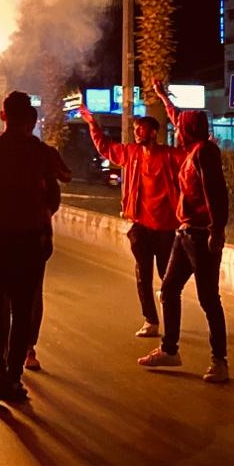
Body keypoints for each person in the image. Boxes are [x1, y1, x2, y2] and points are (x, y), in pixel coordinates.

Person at [0, 90, 69, 406]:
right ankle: (13, 376)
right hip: (29, 241)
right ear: (32, 120)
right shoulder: (40, 152)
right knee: (23, 309)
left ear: (2, 115)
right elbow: (60, 185)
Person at [138, 105, 231, 384]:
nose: (175, 130)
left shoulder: (205, 152)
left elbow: (216, 192)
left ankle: (219, 361)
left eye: (179, 126)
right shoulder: (193, 151)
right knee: (168, 290)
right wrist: (164, 98)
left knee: (208, 299)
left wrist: (217, 230)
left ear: (189, 129)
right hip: (185, 233)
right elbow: (175, 114)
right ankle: (169, 350)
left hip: (201, 236)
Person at [80, 96, 185, 338]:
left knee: (167, 280)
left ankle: (170, 323)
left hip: (167, 227)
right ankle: (151, 320)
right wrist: (92, 124)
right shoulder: (131, 153)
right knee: (142, 274)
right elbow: (106, 147)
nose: (137, 132)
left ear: (154, 132)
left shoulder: (169, 156)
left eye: (142, 129)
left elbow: (187, 142)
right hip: (141, 226)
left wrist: (165, 101)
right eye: (136, 129)